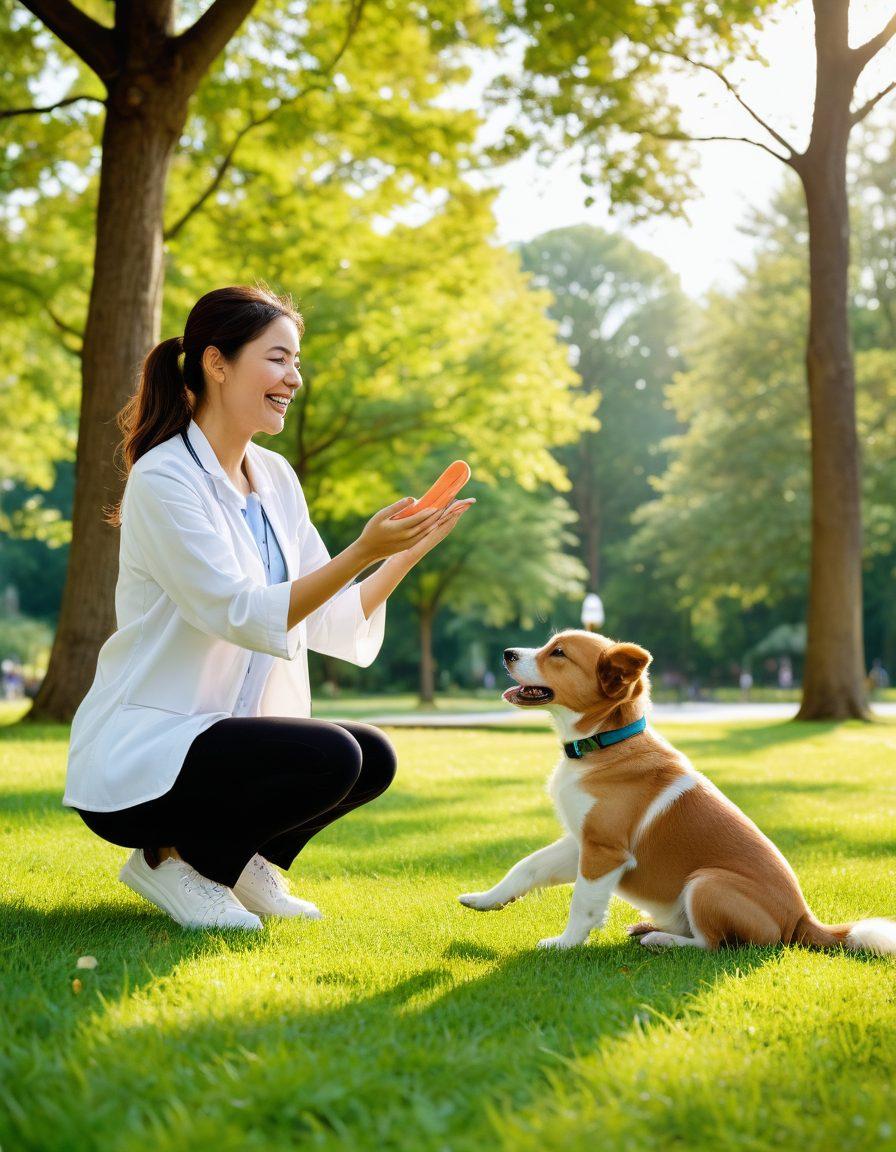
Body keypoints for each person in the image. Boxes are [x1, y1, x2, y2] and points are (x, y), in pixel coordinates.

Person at [62, 284, 475, 931]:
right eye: (278, 359)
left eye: (297, 362)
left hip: (223, 745)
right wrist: (362, 547)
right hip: (147, 754)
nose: (294, 378)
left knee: (372, 755)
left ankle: (238, 856)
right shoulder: (165, 478)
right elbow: (237, 611)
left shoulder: (275, 477)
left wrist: (401, 553)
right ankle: (176, 862)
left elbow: (329, 615)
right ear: (216, 362)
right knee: (332, 755)